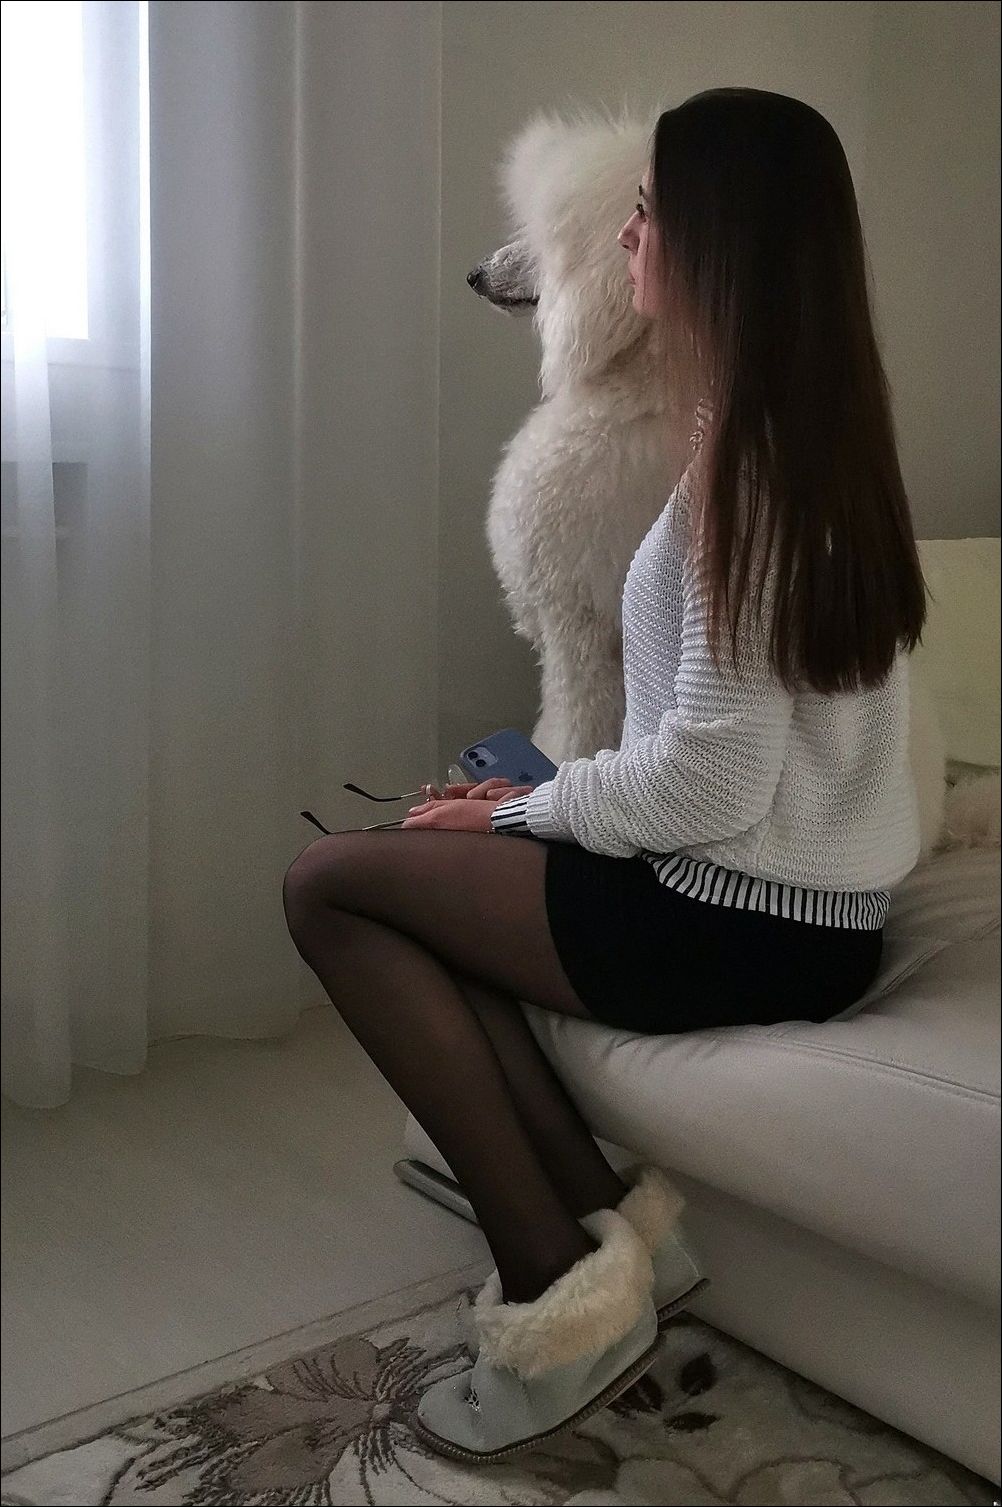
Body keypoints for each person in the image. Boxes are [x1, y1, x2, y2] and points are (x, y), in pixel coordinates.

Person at [282, 87, 925, 1463]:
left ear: (713, 242)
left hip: (736, 922)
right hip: (808, 918)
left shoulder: (743, 476)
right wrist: (518, 816)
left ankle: (556, 1286)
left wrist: (527, 808)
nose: (626, 240)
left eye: (646, 214)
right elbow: (724, 752)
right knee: (423, 863)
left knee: (329, 885)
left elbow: (708, 783)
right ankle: (609, 1227)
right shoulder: (815, 446)